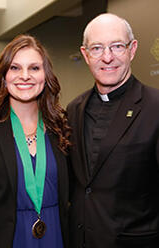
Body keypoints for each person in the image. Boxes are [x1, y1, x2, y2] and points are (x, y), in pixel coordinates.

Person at [67, 13, 159, 248]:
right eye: (97, 48)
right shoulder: (74, 109)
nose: (107, 57)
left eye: (117, 46)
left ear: (133, 49)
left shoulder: (155, 106)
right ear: (86, 54)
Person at [0, 34, 71, 248]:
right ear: (3, 75)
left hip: (55, 234)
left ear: (46, 76)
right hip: (2, 237)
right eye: (15, 68)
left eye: (34, 68)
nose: (25, 76)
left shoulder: (62, 129)